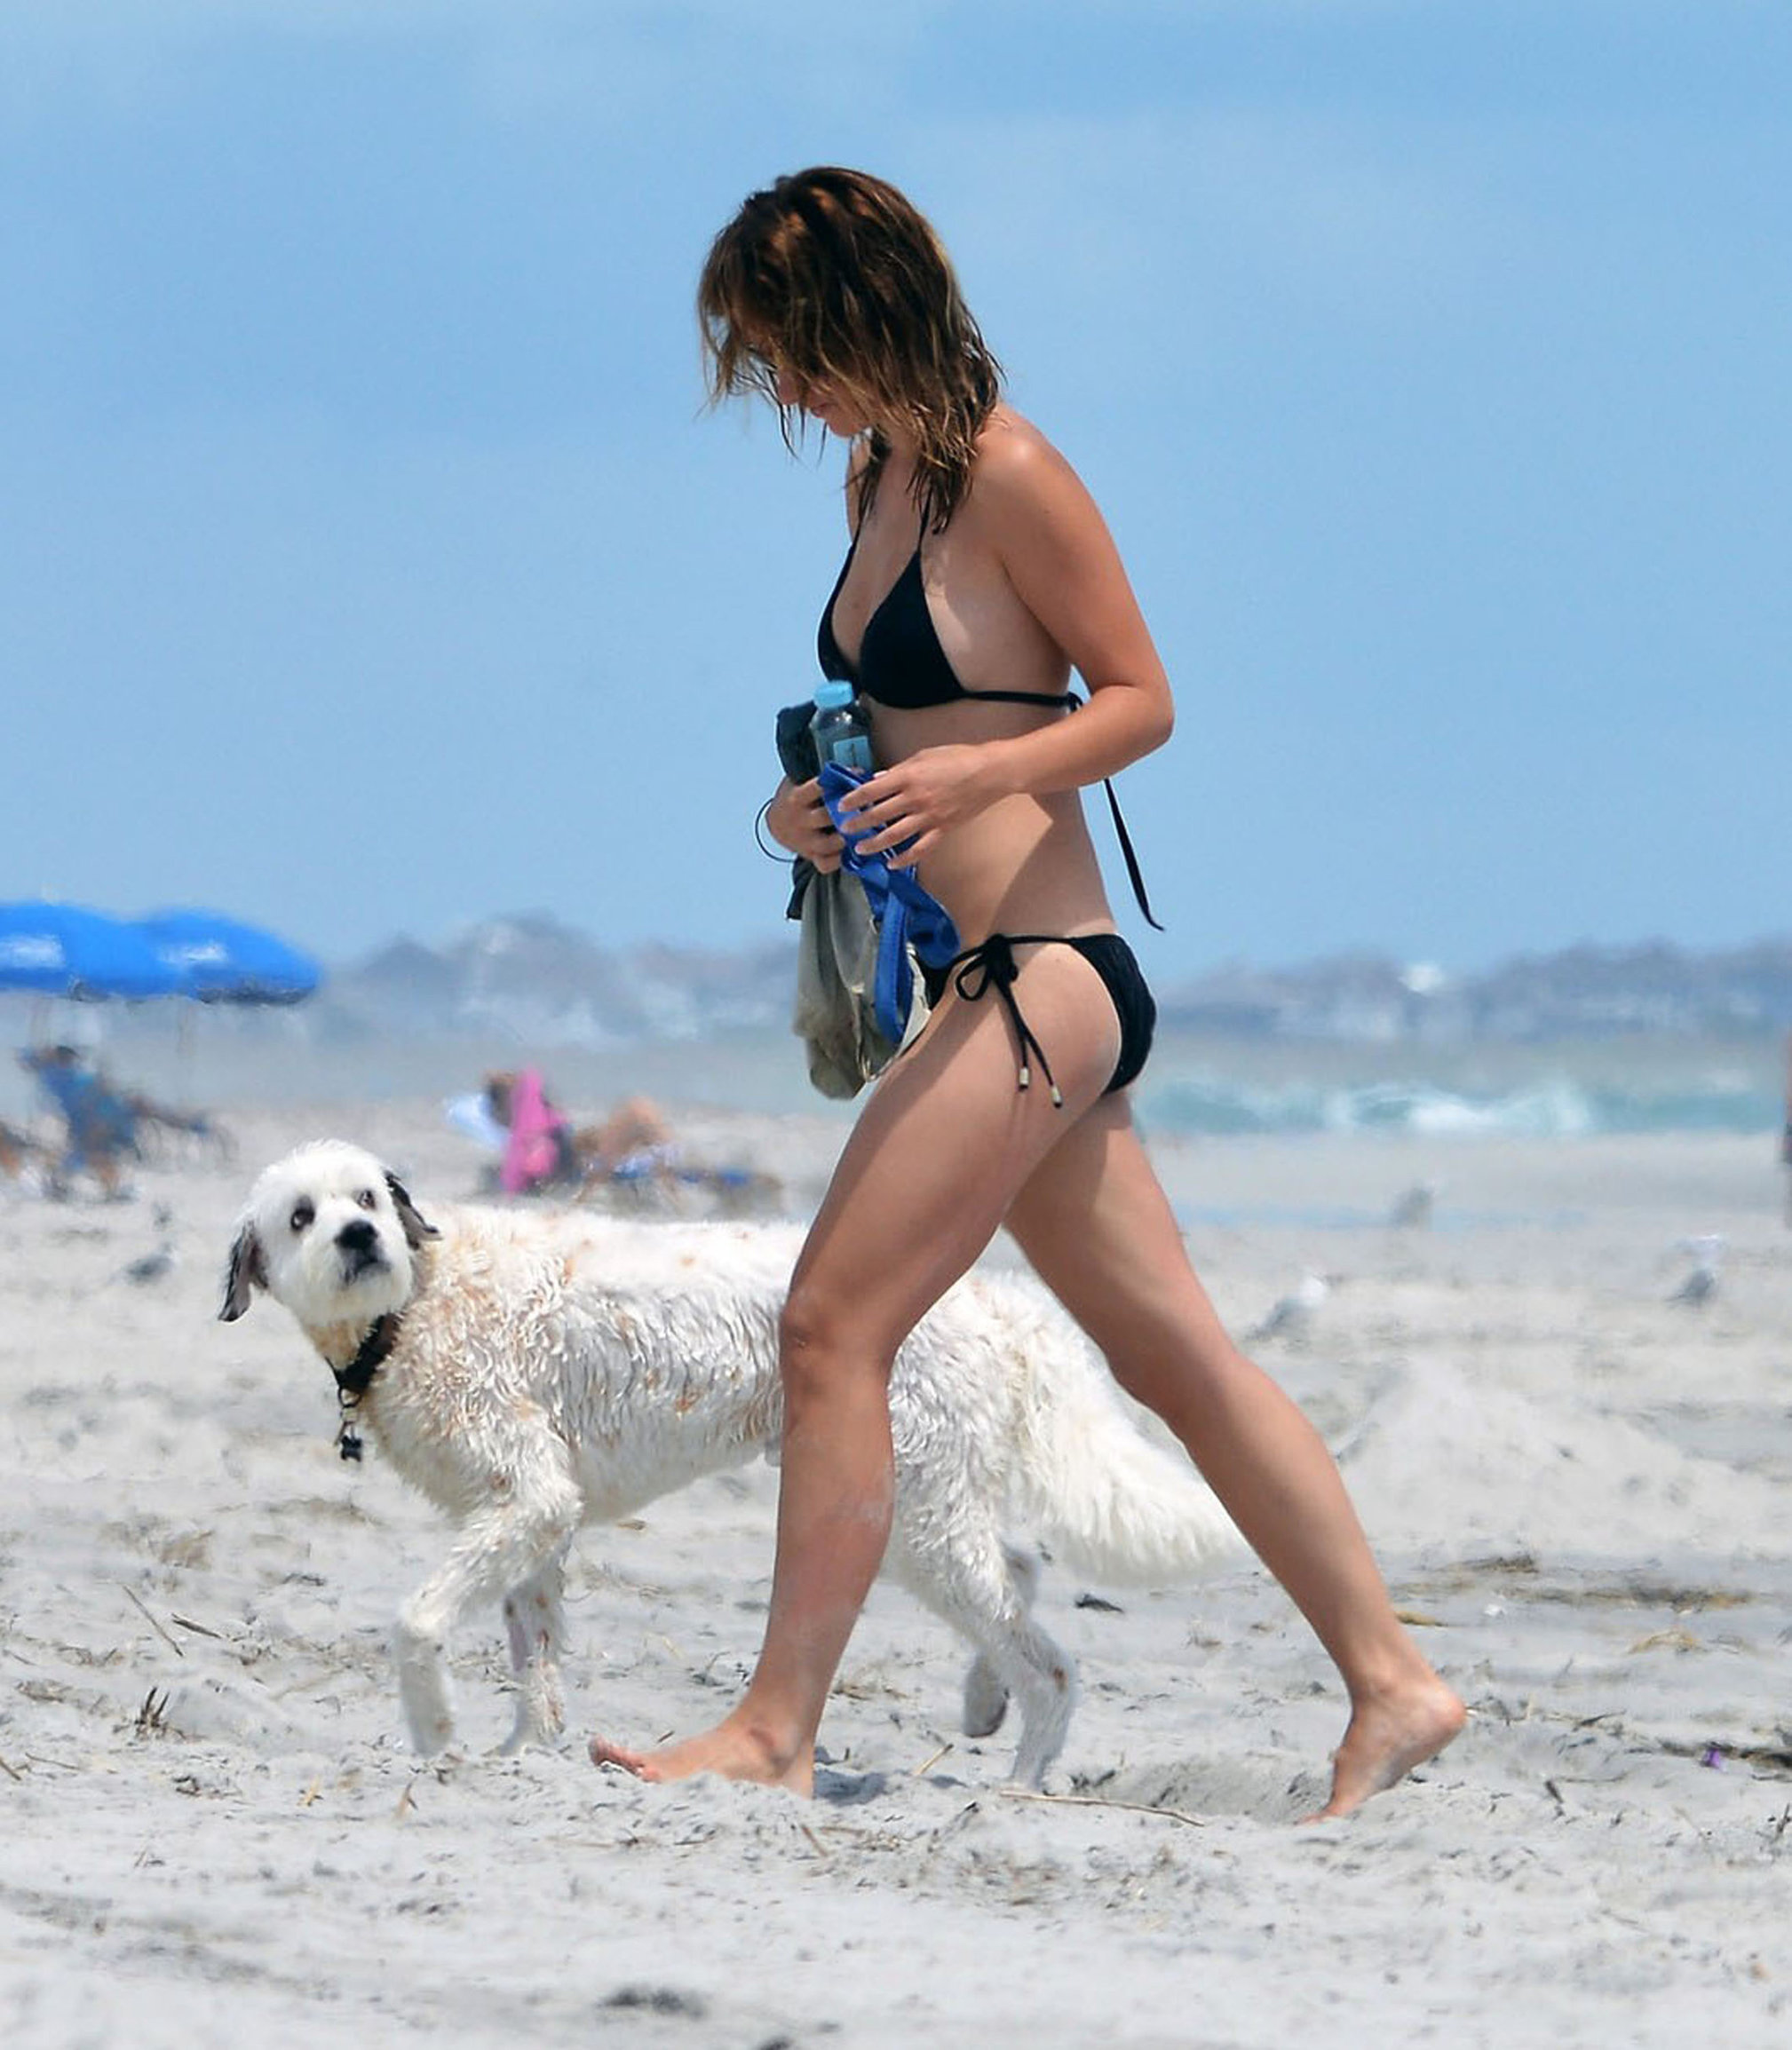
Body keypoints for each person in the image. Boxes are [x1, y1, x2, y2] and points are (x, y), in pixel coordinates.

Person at [591, 167, 1463, 1817]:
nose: (780, 390)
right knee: (1178, 1355)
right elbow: (900, 738)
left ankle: (774, 1726)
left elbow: (1141, 700)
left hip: (1049, 979)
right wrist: (810, 818)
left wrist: (984, 762)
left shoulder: (1010, 472)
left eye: (790, 351)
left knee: (829, 1321)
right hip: (969, 973)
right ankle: (1396, 1683)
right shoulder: (873, 477)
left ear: (863, 310)